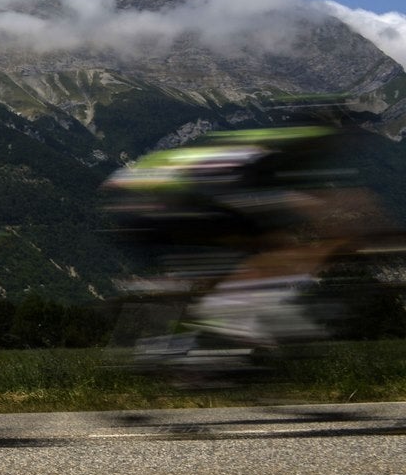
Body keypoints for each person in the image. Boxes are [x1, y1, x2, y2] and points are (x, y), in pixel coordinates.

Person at [102, 99, 394, 381]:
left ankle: (176, 346)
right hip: (165, 206)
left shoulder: (279, 142)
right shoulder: (291, 148)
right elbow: (279, 201)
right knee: (270, 250)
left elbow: (276, 199)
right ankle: (222, 322)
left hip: (152, 205)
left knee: (234, 263)